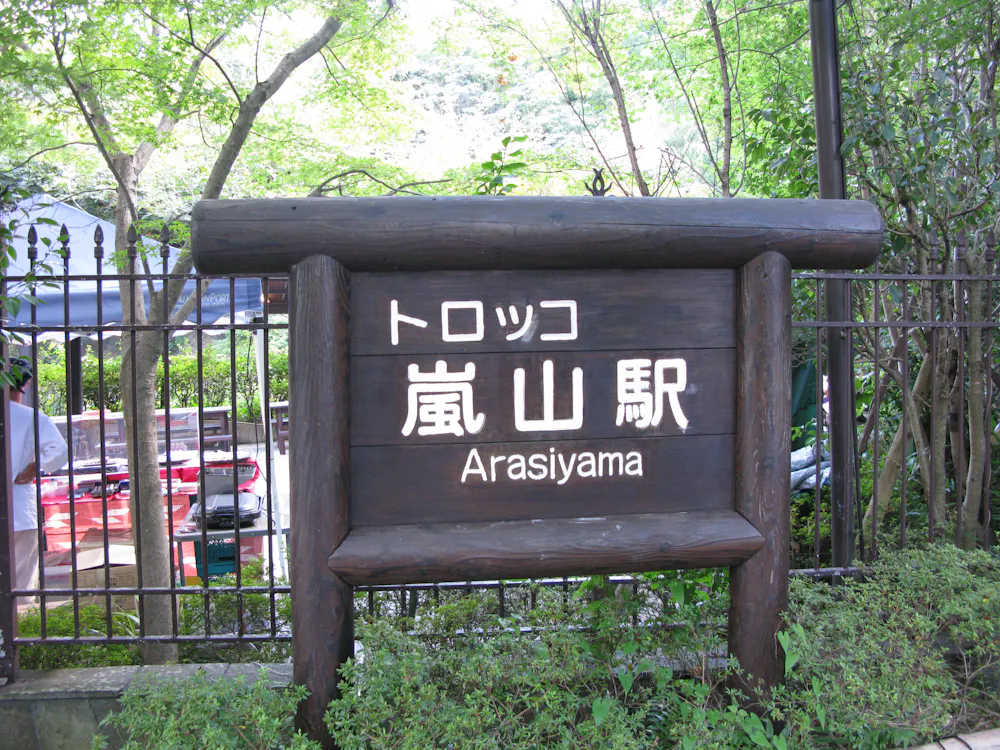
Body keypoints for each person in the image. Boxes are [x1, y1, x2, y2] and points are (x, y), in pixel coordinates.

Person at [7, 356, 68, 605]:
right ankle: (19, 623)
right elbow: (59, 451)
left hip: (20, 508)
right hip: (19, 508)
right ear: (27, 383)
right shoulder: (32, 417)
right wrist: (35, 467)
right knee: (20, 585)